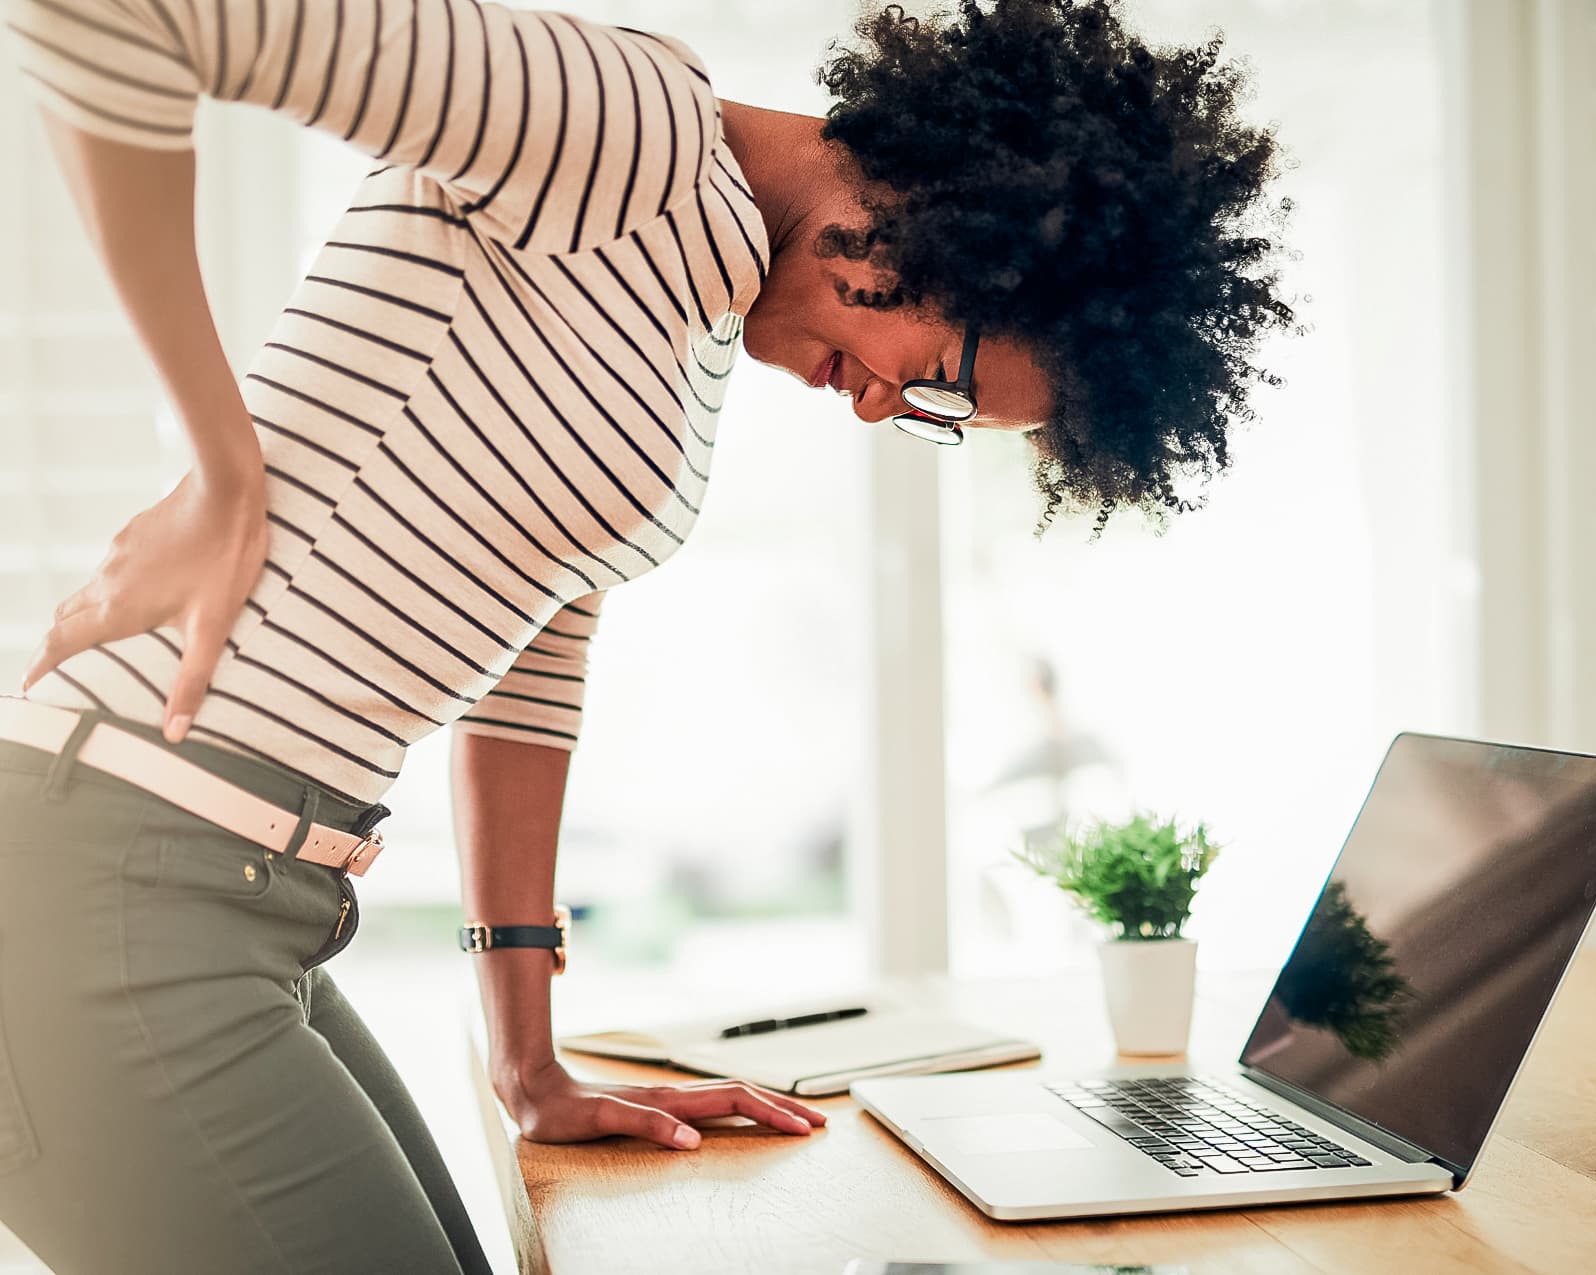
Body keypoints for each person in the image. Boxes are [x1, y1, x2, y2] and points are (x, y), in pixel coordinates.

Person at [0, 0, 1293, 1270]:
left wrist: (528, 1057)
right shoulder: (628, 130)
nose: (888, 408)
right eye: (942, 381)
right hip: (106, 880)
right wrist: (222, 465)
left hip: (241, 896)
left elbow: (529, 679)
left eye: (935, 419)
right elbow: (120, 15)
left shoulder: (700, 321)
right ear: (951, 222)